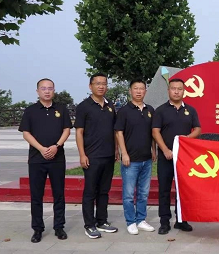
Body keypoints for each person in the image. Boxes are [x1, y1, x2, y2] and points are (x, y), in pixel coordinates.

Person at [19, 78, 72, 243]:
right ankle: (37, 229)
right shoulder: (30, 111)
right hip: (37, 159)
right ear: (38, 91)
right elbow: (26, 133)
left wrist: (56, 146)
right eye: (43, 88)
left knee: (59, 194)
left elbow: (67, 130)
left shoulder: (61, 109)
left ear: (54, 90)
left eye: (50, 88)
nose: (47, 91)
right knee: (36, 195)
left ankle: (59, 227)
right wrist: (41, 149)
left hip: (57, 158)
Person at [152, 78, 201, 235]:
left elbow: (197, 129)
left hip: (184, 158)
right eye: (173, 88)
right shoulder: (161, 110)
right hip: (166, 157)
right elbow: (155, 132)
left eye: (179, 89)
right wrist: (165, 150)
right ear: (168, 91)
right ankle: (164, 222)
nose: (176, 91)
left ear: (184, 91)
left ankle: (181, 220)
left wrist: (187, 139)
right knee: (164, 190)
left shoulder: (191, 110)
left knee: (183, 190)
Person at [74, 73, 119, 239]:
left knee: (104, 190)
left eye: (104, 84)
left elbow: (114, 130)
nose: (101, 86)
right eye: (98, 83)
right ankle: (89, 224)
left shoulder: (110, 105)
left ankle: (102, 221)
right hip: (92, 156)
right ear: (90, 86)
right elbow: (79, 132)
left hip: (108, 155)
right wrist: (82, 154)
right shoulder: (84, 106)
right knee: (90, 191)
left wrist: (116, 150)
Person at [115, 79, 157, 235]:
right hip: (130, 160)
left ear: (145, 91)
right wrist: (124, 153)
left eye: (141, 88)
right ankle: (131, 221)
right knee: (128, 194)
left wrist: (153, 150)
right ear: (130, 91)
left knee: (143, 193)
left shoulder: (150, 110)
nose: (139, 91)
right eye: (135, 88)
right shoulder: (124, 111)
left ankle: (141, 219)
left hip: (146, 159)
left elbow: (153, 133)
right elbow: (119, 133)